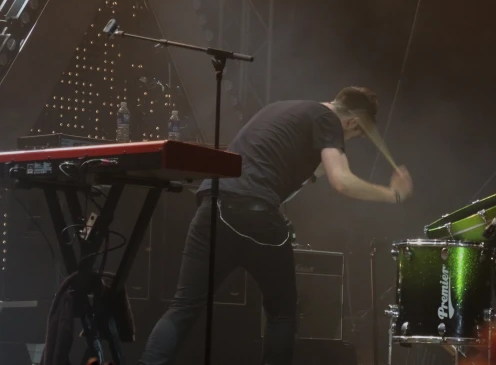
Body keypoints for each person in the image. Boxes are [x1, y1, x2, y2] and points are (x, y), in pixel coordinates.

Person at [138, 86, 413, 365]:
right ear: (352, 122)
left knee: (183, 306)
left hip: (214, 205)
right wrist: (392, 195)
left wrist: (311, 174)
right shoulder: (328, 119)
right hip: (255, 214)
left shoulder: (282, 109)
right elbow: (342, 181)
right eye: (353, 136)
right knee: (282, 314)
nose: (347, 141)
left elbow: (278, 177)